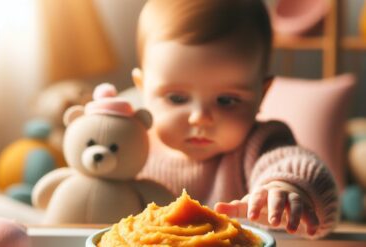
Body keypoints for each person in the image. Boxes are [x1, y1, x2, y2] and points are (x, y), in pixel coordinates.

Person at [131, 0, 338, 238]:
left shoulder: (260, 143)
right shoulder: (131, 149)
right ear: (142, 88)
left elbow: (305, 177)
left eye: (226, 100)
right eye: (177, 98)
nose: (200, 118)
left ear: (263, 93)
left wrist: (286, 189)